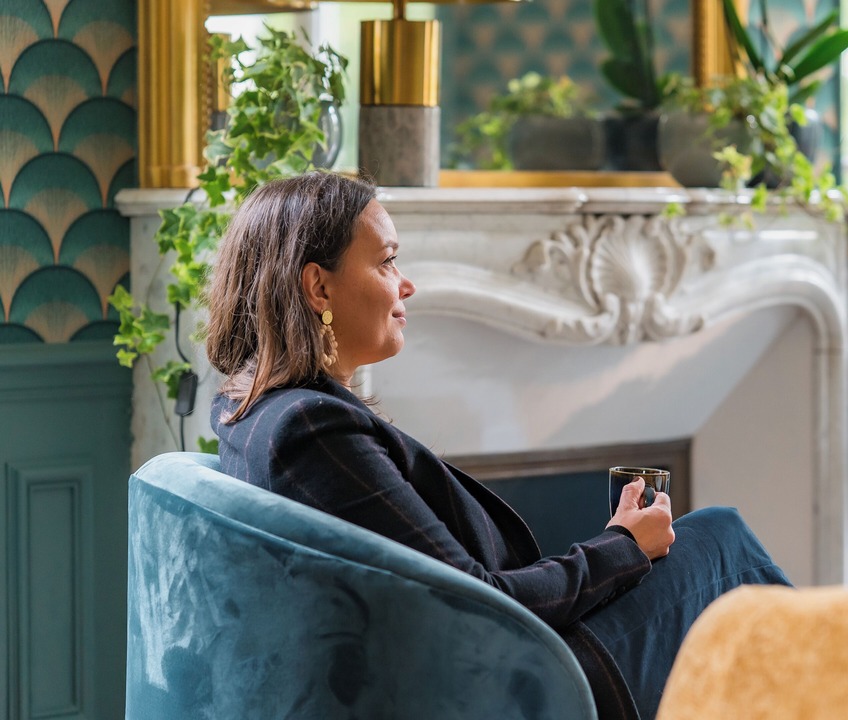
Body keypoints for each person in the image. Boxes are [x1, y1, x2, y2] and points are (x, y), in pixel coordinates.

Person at [203, 171, 791, 720]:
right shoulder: (312, 432)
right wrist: (621, 547)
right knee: (721, 539)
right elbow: (479, 605)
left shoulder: (250, 413)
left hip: (486, 661)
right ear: (318, 287)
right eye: (386, 262)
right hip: (514, 684)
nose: (407, 283)